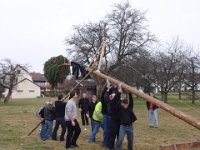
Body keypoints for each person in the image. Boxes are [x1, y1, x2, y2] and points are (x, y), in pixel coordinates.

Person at [101, 80, 121, 149]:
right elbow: (104, 95)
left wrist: (116, 87)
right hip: (107, 116)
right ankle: (105, 144)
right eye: (112, 95)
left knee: (111, 131)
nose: (113, 94)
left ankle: (109, 144)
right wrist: (107, 88)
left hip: (112, 117)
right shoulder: (108, 101)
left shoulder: (112, 99)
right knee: (107, 130)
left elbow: (116, 96)